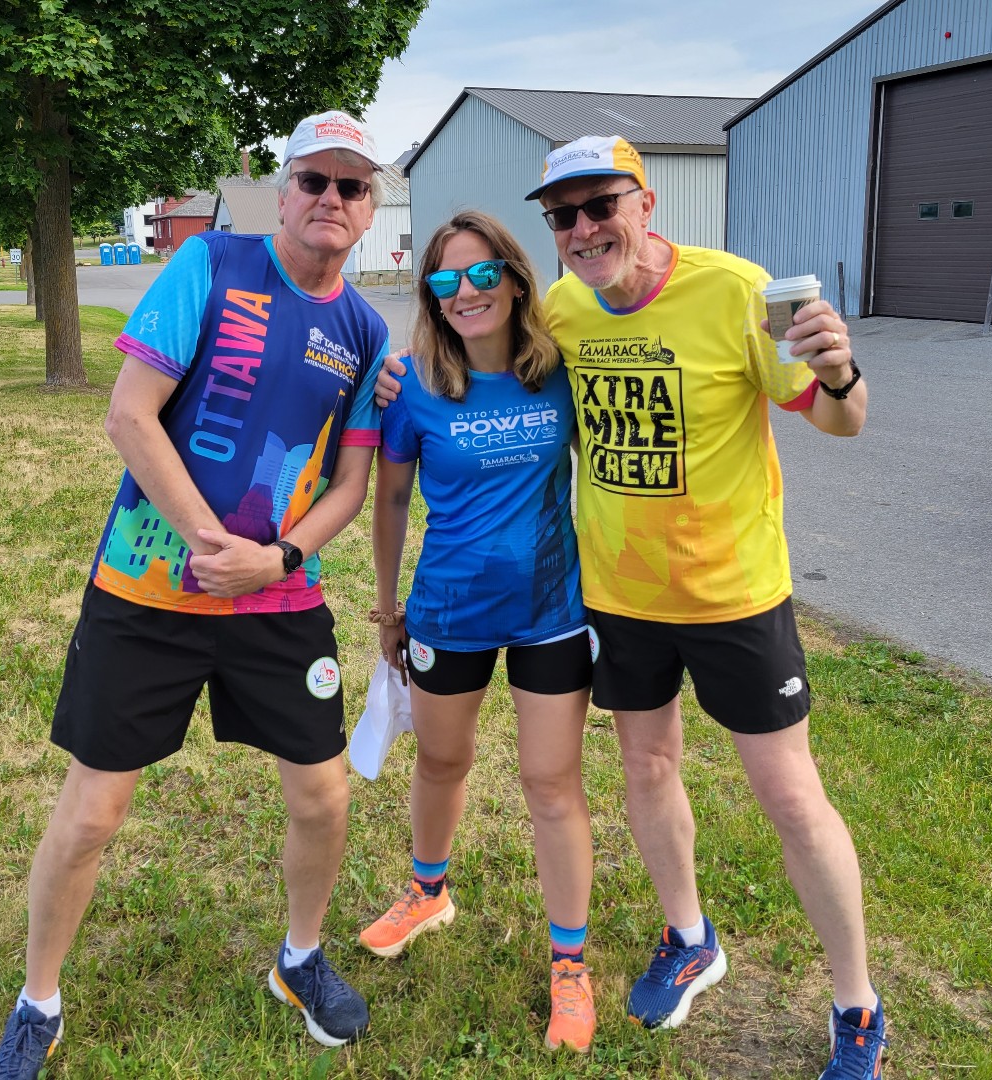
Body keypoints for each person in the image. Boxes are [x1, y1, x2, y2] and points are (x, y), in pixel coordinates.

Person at [378, 137, 883, 1079]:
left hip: (734, 594)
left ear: (643, 203)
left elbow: (836, 418)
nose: (581, 229)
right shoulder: (562, 316)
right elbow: (479, 367)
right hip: (618, 598)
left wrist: (843, 372)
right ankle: (689, 936)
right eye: (561, 216)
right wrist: (400, 375)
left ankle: (856, 1003)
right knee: (648, 769)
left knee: (789, 795)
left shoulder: (733, 290)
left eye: (599, 206)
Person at [0, 110, 389, 1080]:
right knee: (90, 815)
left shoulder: (366, 330)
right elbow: (131, 416)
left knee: (324, 797)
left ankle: (299, 960)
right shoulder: (207, 264)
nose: (332, 200)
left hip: (279, 604)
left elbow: (348, 486)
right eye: (316, 182)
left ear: (371, 209)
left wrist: (277, 561)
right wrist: (213, 544)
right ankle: (38, 1000)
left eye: (354, 187)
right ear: (283, 191)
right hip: (148, 589)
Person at [359, 211, 597, 1053]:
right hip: (448, 612)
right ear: (430, 295)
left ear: (515, 275)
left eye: (481, 273)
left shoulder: (560, 370)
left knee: (550, 783)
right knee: (441, 759)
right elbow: (390, 500)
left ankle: (570, 966)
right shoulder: (413, 384)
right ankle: (429, 891)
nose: (466, 293)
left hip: (552, 612)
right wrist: (389, 611)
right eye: (445, 281)